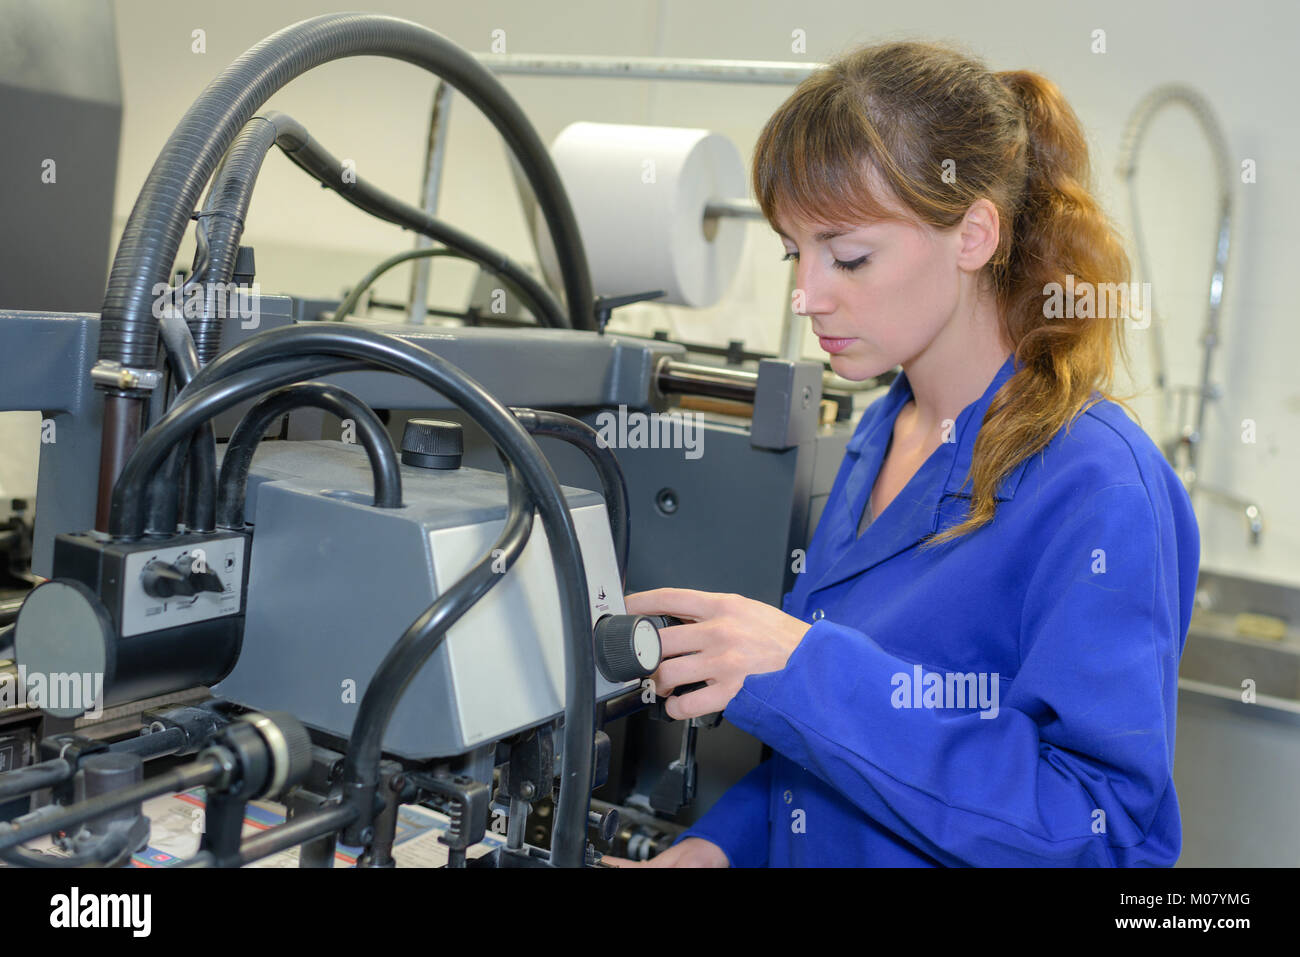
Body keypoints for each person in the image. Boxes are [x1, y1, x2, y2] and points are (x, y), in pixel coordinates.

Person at [605, 40, 1199, 867]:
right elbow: (836, 766)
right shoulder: (882, 434)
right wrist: (722, 847)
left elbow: (1097, 829)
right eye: (795, 252)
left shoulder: (1098, 487)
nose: (808, 295)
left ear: (974, 235)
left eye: (848, 255)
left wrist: (806, 669)